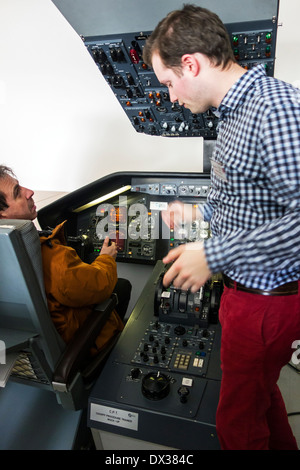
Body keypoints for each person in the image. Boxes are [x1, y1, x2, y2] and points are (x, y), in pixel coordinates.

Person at [143, 4, 300, 450]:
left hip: (267, 303)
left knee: (236, 423)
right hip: (243, 294)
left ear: (190, 63)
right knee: (261, 397)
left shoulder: (274, 109)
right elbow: (245, 198)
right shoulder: (234, 114)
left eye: (169, 83)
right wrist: (198, 213)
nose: (171, 97)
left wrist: (213, 255)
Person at [0, 164, 131, 354]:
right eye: (17, 193)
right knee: (120, 287)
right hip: (73, 345)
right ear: (2, 214)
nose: (29, 192)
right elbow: (99, 285)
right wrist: (106, 258)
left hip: (28, 353)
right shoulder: (49, 257)